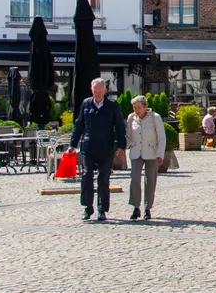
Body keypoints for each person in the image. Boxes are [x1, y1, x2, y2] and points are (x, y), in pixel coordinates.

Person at [68, 78, 126, 222]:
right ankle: (87, 207)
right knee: (87, 175)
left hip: (106, 147)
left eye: (100, 91)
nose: (98, 94)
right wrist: (72, 144)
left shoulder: (112, 105)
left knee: (103, 178)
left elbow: (119, 126)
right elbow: (79, 124)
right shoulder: (86, 103)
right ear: (91, 90)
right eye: (95, 91)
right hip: (88, 146)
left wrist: (121, 146)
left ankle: (102, 209)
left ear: (105, 90)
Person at [126, 95, 166, 221]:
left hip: (152, 152)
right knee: (135, 179)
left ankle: (147, 208)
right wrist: (122, 147)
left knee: (150, 181)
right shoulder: (131, 118)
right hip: (136, 151)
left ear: (145, 107)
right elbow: (128, 136)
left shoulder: (155, 118)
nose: (136, 110)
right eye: (134, 107)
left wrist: (160, 154)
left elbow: (161, 137)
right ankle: (135, 207)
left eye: (138, 107)